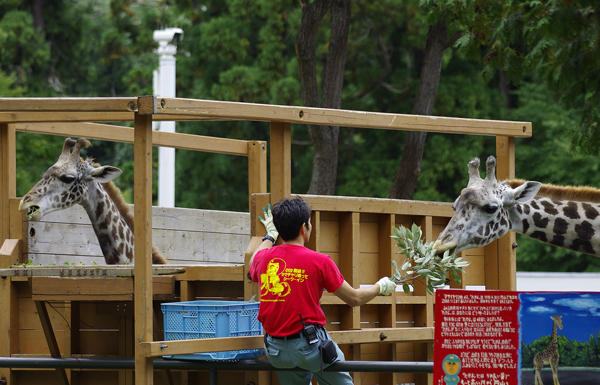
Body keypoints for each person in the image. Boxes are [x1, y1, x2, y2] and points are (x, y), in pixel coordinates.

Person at [249, 197, 397, 385]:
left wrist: (270, 235)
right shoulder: (320, 262)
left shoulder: (264, 258)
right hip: (310, 348)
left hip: (276, 350)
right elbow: (354, 298)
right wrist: (380, 287)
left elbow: (253, 261)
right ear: (304, 228)